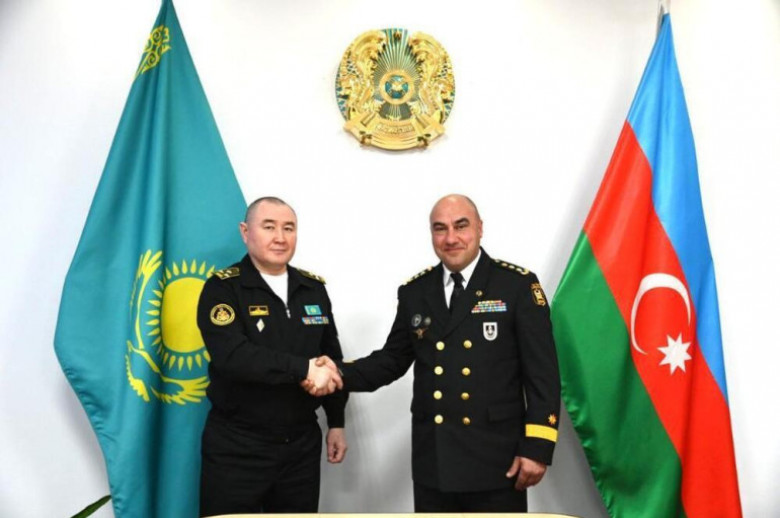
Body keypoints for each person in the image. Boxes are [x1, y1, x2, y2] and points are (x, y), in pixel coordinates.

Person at [308, 194, 560, 512]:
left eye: (461, 226)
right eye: (440, 228)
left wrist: (537, 446)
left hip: (497, 458)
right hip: (435, 460)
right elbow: (392, 359)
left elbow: (542, 374)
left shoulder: (516, 286)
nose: (451, 238)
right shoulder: (416, 291)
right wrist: (338, 371)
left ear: (480, 228)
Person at [197, 196, 347, 516]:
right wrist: (303, 369)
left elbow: (331, 358)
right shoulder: (223, 288)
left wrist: (336, 422)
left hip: (301, 446)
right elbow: (233, 356)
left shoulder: (312, 288)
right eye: (269, 227)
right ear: (245, 232)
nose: (280, 237)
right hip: (238, 447)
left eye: (288, 228)